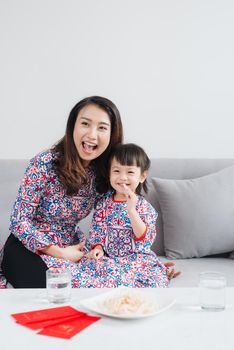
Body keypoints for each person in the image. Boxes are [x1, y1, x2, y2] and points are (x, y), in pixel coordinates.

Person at [1, 96, 123, 288]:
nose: (92, 135)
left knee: (111, 282)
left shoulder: (105, 174)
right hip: (28, 247)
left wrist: (139, 259)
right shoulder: (44, 163)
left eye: (102, 127)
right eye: (85, 124)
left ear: (112, 134)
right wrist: (60, 253)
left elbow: (106, 222)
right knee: (55, 288)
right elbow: (19, 221)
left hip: (72, 245)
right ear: (72, 126)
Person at [84, 143, 175, 287]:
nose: (122, 177)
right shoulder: (103, 204)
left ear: (142, 176)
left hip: (136, 259)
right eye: (116, 171)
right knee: (89, 272)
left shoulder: (144, 207)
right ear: (109, 173)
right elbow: (97, 232)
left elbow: (144, 238)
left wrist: (131, 211)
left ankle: (128, 283)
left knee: (154, 282)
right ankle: (116, 283)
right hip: (109, 259)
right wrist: (98, 249)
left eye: (130, 172)